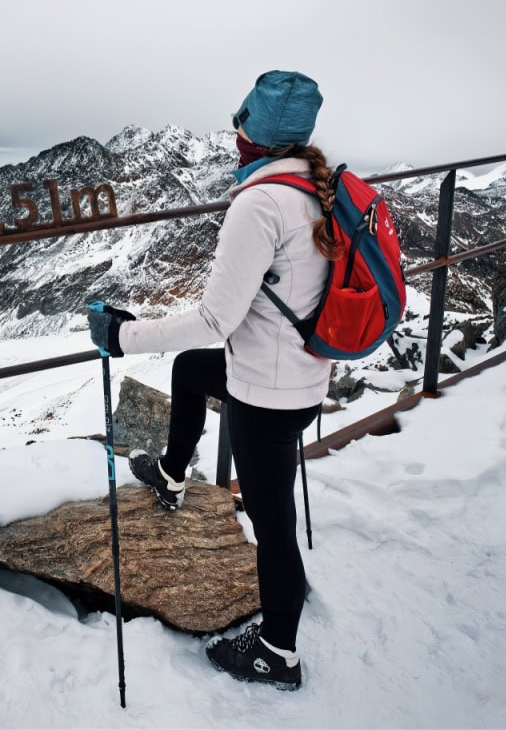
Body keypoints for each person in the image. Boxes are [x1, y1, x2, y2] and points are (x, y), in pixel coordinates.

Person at [87, 70, 337, 692]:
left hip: (268, 396)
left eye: (242, 117)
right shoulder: (317, 187)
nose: (235, 127)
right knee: (192, 370)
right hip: (300, 374)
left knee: (272, 523)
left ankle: (278, 652)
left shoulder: (261, 202)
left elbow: (213, 317)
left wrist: (123, 338)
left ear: (254, 131)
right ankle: (173, 474)